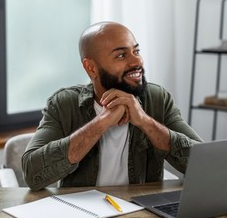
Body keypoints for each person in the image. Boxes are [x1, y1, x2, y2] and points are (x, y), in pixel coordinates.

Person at [22, 21, 203, 191]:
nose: (136, 62)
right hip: (84, 215)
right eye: (121, 55)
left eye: (136, 51)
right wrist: (101, 123)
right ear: (91, 68)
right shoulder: (64, 104)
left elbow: (204, 164)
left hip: (142, 215)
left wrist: (145, 122)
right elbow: (32, 175)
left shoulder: (157, 99)